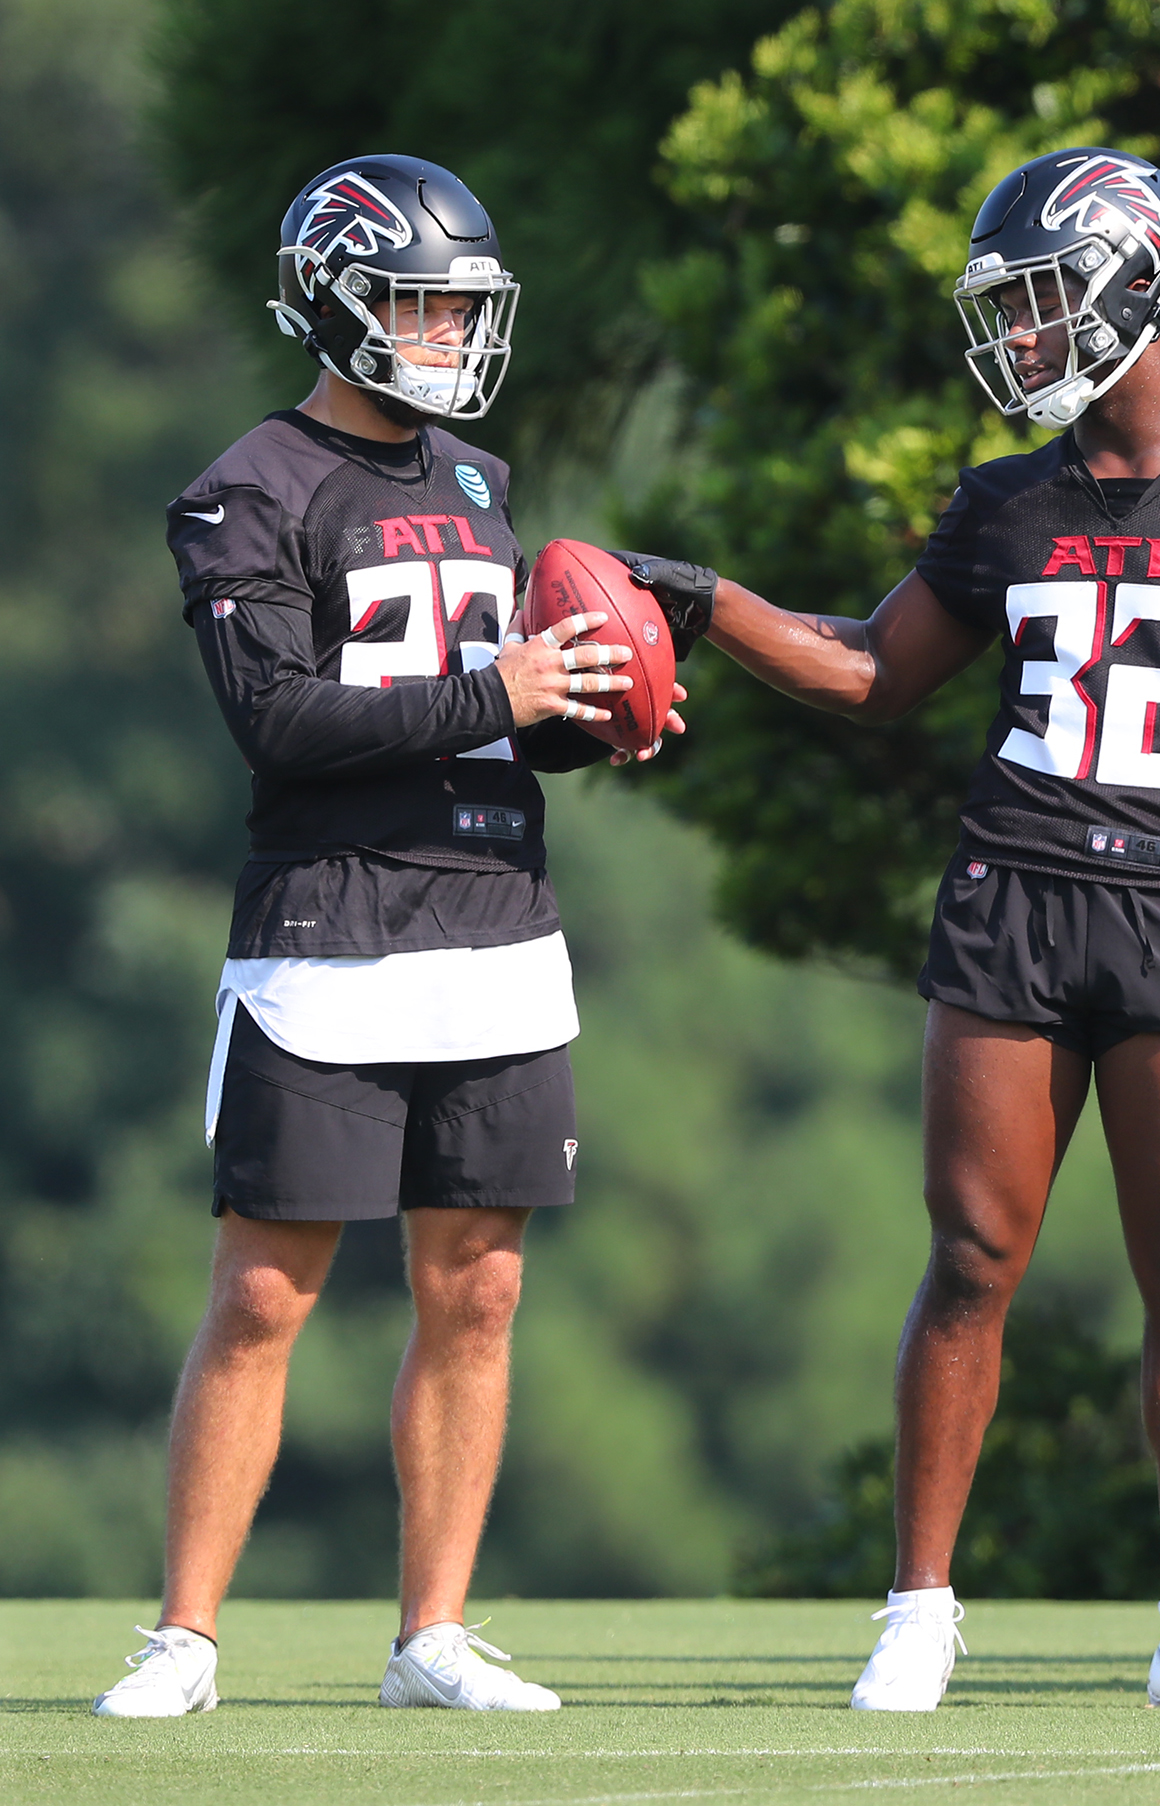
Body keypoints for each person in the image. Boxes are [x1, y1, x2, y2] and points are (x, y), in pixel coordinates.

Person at [670, 148, 1160, 1711]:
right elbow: (871, 673)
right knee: (971, 1255)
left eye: (1045, 298)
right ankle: (919, 1606)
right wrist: (703, 599)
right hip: (1017, 896)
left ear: (1138, 285)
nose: (1021, 335)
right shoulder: (1008, 500)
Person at [92, 155, 687, 1718]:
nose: (444, 333)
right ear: (335, 301)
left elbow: (484, 722)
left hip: (498, 915)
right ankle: (186, 1636)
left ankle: (433, 1632)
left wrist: (584, 718)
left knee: (478, 1286)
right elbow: (279, 721)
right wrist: (499, 694)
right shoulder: (247, 489)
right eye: (419, 301)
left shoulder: (481, 481)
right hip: (332, 923)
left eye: (458, 306)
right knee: (266, 1292)